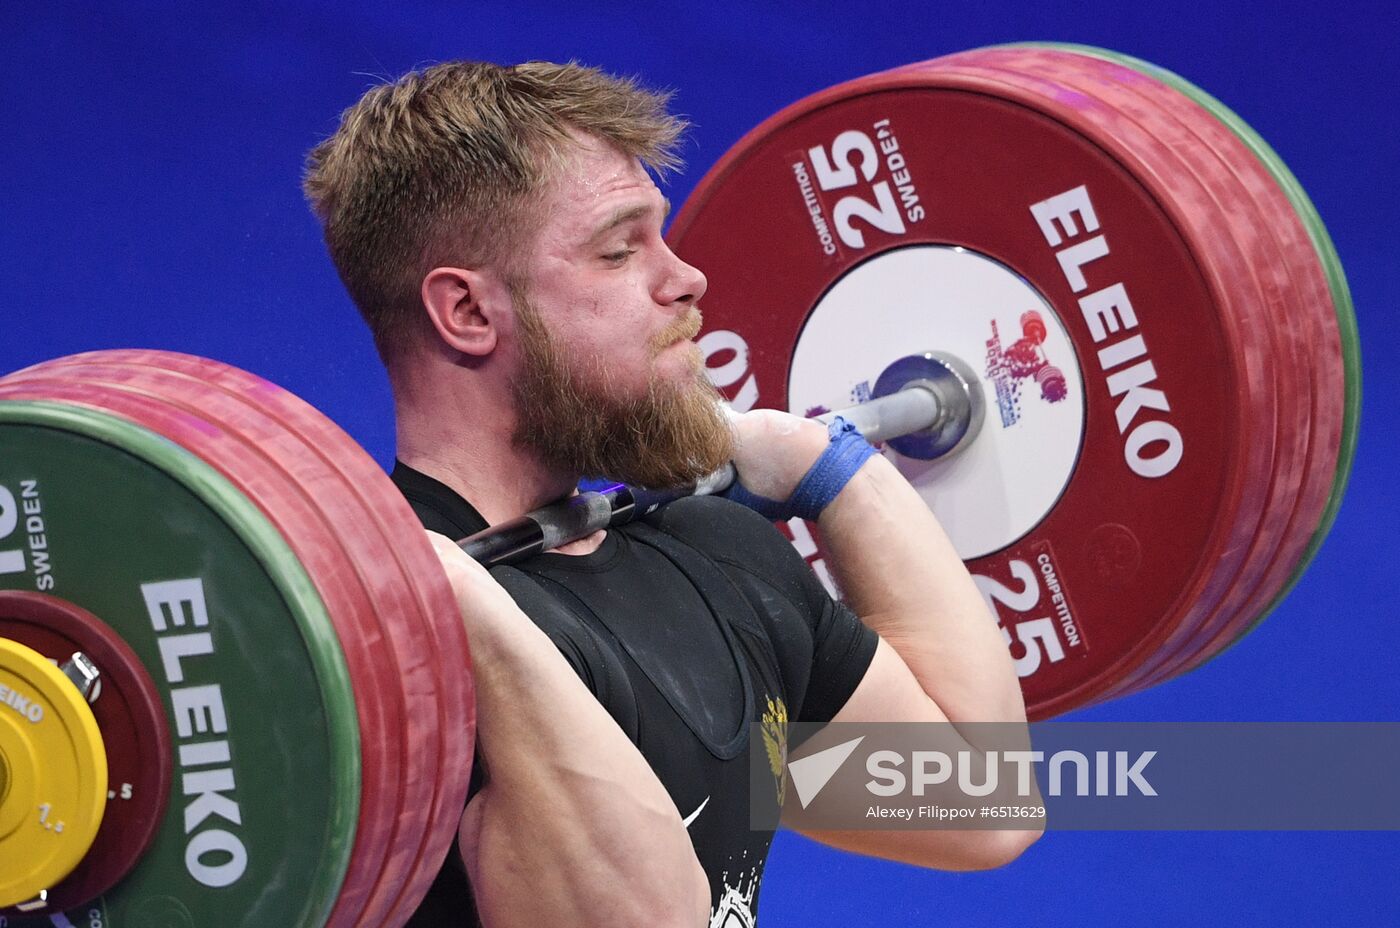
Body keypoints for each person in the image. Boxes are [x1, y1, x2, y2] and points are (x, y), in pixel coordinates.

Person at [304, 60, 1039, 927]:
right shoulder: (372, 670)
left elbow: (977, 806)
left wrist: (831, 470)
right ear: (467, 312)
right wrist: (469, 618)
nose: (685, 278)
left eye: (663, 235)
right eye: (620, 251)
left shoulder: (717, 559)